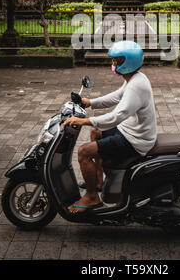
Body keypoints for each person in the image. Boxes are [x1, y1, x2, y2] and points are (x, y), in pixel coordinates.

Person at [63, 40, 157, 214]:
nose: (112, 64)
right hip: (131, 130)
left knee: (84, 151)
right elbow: (117, 96)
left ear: (125, 62)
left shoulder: (137, 85)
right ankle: (98, 181)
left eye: (116, 61)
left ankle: (91, 197)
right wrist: (90, 103)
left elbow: (117, 116)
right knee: (96, 132)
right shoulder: (135, 77)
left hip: (135, 139)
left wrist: (84, 120)